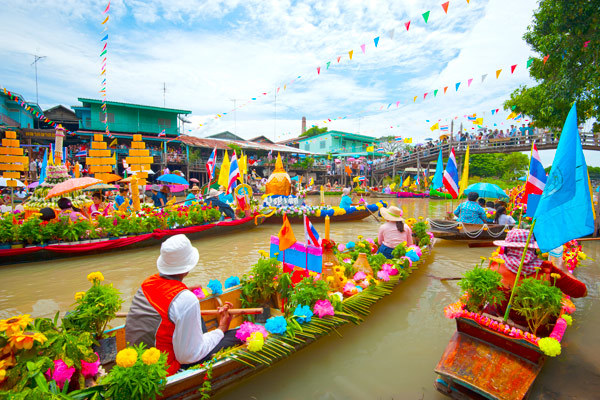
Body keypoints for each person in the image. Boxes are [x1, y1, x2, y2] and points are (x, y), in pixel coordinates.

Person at [125, 235, 242, 376]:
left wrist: (185, 292)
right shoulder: (186, 299)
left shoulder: (148, 282)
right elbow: (188, 356)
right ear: (187, 268)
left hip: (138, 358)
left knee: (196, 318)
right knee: (240, 334)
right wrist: (221, 328)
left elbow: (167, 298)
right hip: (166, 369)